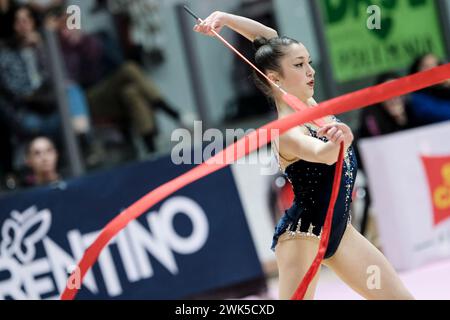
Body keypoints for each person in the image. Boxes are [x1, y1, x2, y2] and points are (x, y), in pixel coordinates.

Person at [194, 11, 413, 300]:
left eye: (309, 61)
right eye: (300, 65)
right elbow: (322, 154)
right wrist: (340, 140)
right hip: (303, 238)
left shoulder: (306, 102)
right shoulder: (286, 130)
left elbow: (269, 37)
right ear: (275, 79)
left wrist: (225, 18)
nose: (311, 70)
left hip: (339, 230)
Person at [408, 53, 450, 125]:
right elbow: (441, 114)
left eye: (436, 64)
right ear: (417, 71)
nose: (433, 69)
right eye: (426, 66)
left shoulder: (445, 90)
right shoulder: (417, 98)